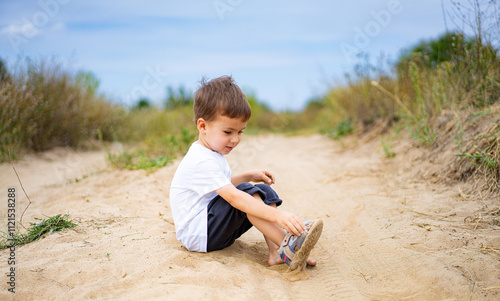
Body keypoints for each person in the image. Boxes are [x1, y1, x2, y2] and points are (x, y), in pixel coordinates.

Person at [169, 75, 322, 270]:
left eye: (240, 132)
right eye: (228, 132)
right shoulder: (201, 159)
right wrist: (279, 216)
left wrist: (248, 176)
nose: (235, 139)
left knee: (263, 191)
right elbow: (233, 197)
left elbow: (221, 186)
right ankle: (289, 244)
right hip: (200, 233)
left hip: (210, 225)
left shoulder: (211, 152)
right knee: (246, 194)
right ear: (203, 126)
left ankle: (276, 252)